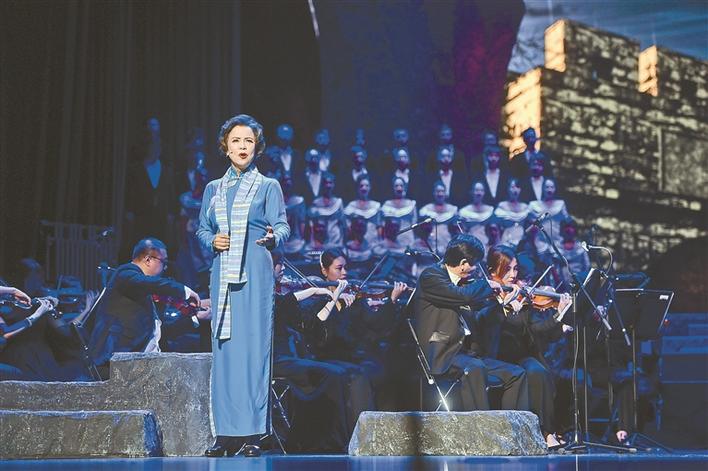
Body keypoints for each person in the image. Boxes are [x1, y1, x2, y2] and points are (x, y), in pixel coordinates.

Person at [197, 114, 290, 458]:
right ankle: (225, 434)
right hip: (223, 273)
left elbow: (283, 226)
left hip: (255, 272)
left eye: (248, 141)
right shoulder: (213, 189)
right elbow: (202, 229)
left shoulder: (268, 186)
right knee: (225, 352)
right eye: (236, 140)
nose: (242, 146)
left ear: (257, 148)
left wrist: (273, 237)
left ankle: (253, 433)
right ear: (225, 147)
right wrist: (212, 241)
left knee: (253, 351)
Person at [412, 234, 528, 412]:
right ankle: (480, 427)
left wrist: (503, 303)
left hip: (467, 354)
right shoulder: (431, 276)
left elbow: (479, 310)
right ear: (464, 263)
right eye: (474, 265)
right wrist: (487, 285)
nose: (475, 270)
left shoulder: (465, 283)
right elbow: (461, 296)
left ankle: (513, 425)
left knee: (516, 374)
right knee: (475, 368)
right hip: (442, 353)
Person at [271, 255, 374, 452]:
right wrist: (316, 292)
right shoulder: (267, 295)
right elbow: (284, 304)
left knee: (350, 373)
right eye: (278, 263)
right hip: (277, 358)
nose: (283, 267)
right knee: (335, 373)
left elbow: (313, 323)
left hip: (291, 357)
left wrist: (331, 297)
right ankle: (329, 441)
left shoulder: (283, 299)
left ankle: (347, 439)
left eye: (283, 262)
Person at [478, 245, 572, 448]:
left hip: (519, 355)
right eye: (507, 269)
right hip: (494, 356)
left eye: (515, 269)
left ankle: (546, 431)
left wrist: (559, 314)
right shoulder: (485, 293)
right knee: (522, 372)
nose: (513, 275)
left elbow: (536, 328)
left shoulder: (521, 297)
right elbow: (484, 325)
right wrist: (504, 307)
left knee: (538, 371)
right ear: (493, 271)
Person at [302, 248, 408, 411]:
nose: (345, 272)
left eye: (346, 267)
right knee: (360, 375)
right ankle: (361, 422)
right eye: (339, 268)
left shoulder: (354, 296)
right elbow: (324, 337)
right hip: (328, 355)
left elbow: (374, 323)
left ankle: (383, 421)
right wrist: (336, 301)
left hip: (354, 355)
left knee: (389, 369)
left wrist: (392, 300)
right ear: (324, 271)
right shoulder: (318, 299)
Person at [87, 238, 202, 378]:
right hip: (113, 362)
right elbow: (150, 283)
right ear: (148, 260)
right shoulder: (126, 273)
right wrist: (183, 290)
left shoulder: (142, 290)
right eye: (164, 262)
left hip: (141, 363)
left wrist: (195, 315)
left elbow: (160, 330)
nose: (165, 268)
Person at [121, 117, 177, 260]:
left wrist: (170, 213)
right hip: (141, 217)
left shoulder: (166, 170)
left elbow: (170, 194)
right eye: (152, 146)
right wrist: (129, 212)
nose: (155, 150)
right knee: (142, 249)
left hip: (160, 218)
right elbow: (130, 193)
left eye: (157, 147)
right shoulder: (136, 169)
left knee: (158, 250)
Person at [419, 180, 459, 257]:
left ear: (445, 193)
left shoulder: (453, 209)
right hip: (430, 245)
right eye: (437, 191)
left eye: (442, 191)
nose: (440, 194)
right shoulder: (425, 210)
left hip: (447, 244)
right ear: (433, 193)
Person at [343, 174, 382, 250]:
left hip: (373, 243)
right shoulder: (351, 206)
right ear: (357, 188)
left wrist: (380, 242)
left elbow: (379, 226)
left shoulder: (376, 206)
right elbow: (347, 228)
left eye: (367, 186)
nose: (364, 188)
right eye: (361, 186)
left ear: (370, 187)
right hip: (356, 244)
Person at [308, 172, 345, 248]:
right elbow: (312, 225)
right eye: (326, 183)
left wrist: (342, 241)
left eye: (330, 183)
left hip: (335, 239)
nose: (328, 185)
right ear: (322, 185)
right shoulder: (316, 203)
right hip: (320, 241)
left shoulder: (338, 202)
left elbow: (342, 224)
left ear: (333, 185)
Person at [381, 176, 418, 249]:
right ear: (392, 188)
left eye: (401, 185)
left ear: (405, 187)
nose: (399, 188)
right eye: (396, 186)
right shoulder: (386, 204)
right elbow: (382, 226)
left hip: (407, 239)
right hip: (390, 241)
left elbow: (415, 225)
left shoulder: (411, 204)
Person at [494, 178, 531, 248]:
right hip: (506, 240)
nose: (515, 190)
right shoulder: (502, 206)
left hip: (522, 241)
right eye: (513, 187)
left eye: (517, 187)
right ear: (508, 189)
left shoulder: (525, 207)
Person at [458, 181, 495, 248]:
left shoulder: (490, 210)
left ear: (484, 193)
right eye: (477, 190)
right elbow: (462, 231)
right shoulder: (464, 211)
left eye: (481, 190)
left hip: (486, 243)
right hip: (470, 243)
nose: (479, 193)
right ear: (472, 192)